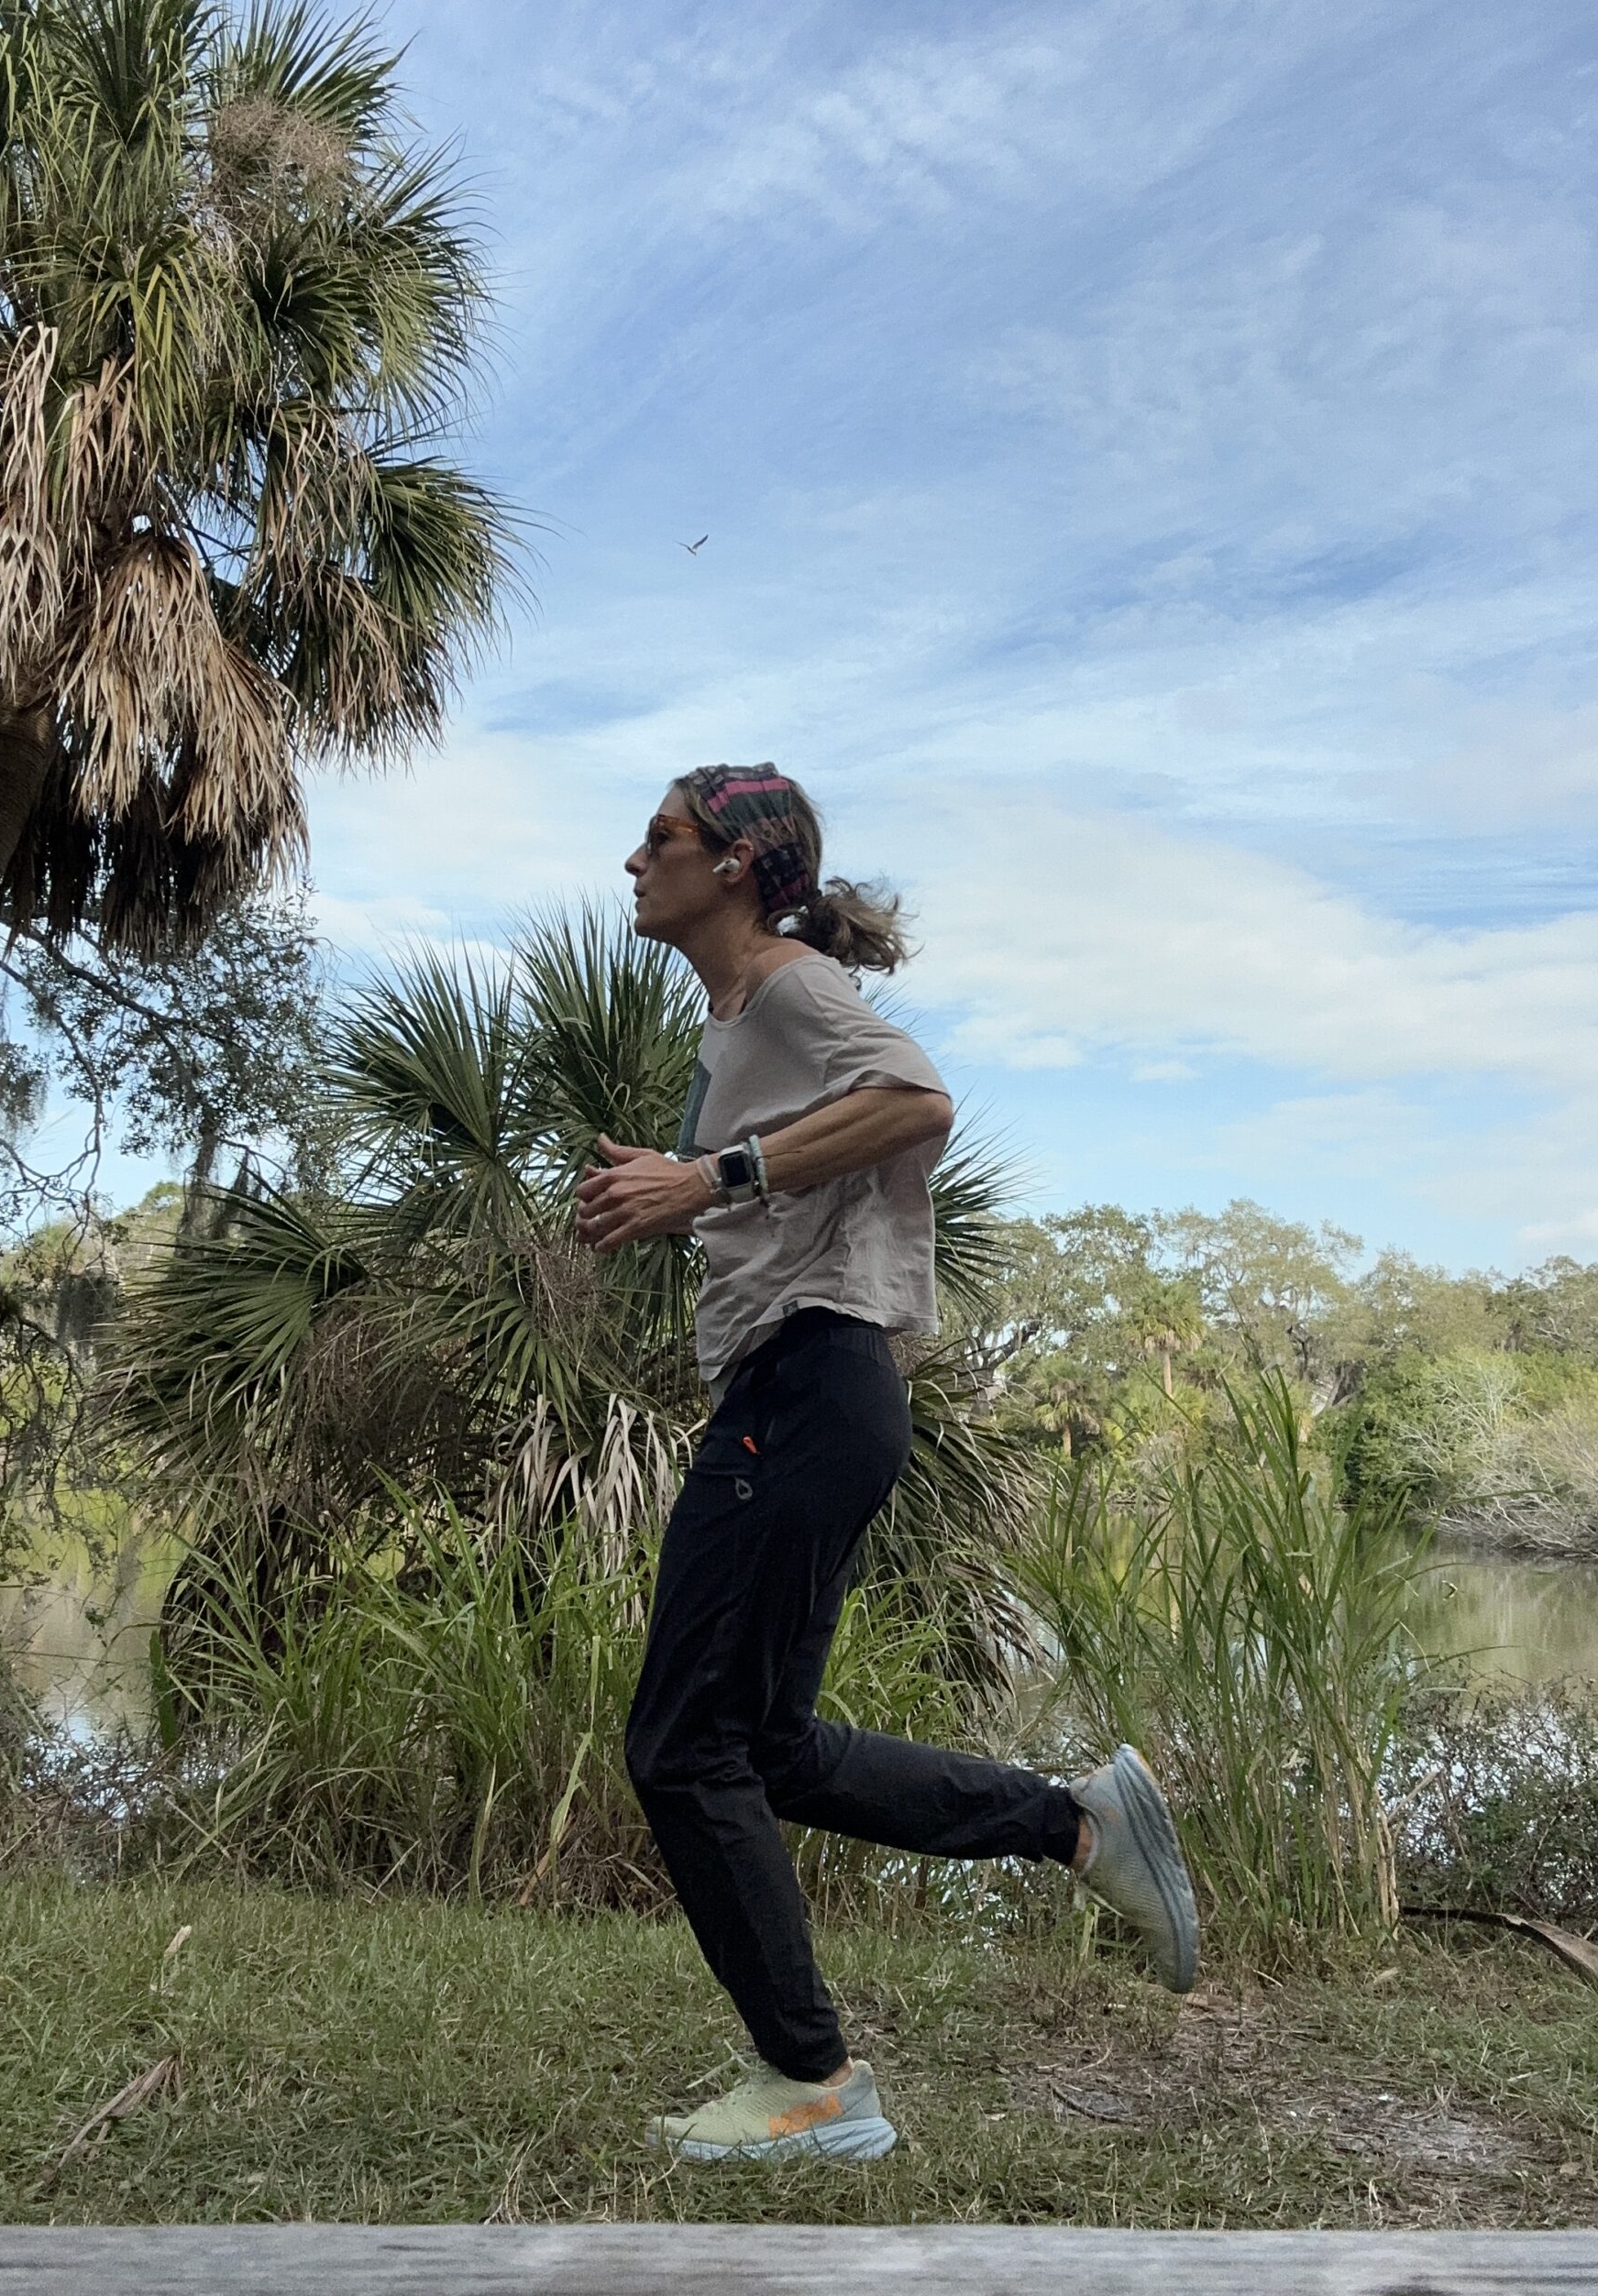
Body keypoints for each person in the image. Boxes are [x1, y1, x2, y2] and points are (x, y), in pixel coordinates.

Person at [574, 764, 1198, 2166]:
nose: (633, 859)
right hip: (806, 1391)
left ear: (735, 864)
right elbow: (802, 1172)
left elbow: (919, 1100)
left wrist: (709, 1178)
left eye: (660, 838)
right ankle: (1079, 1828)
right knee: (768, 1747)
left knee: (682, 1747)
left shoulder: (789, 987)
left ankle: (811, 2085)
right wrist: (681, 1194)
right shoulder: (742, 1017)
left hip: (808, 1386)